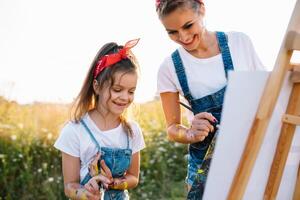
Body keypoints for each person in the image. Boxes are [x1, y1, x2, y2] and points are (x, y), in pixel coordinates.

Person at [155, 0, 264, 198]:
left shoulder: (239, 43)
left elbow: (268, 96)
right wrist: (189, 133)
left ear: (202, 10)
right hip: (206, 169)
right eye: (172, 32)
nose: (183, 37)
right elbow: (172, 129)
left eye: (188, 25)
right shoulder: (169, 68)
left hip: (251, 155)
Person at [54, 39, 145, 200]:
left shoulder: (132, 131)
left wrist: (114, 183)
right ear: (97, 86)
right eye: (117, 89)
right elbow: (70, 186)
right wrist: (86, 193)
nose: (125, 97)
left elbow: (133, 177)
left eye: (131, 91)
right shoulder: (74, 130)